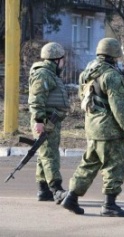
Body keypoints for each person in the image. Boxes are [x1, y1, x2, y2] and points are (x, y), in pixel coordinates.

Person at [61, 38, 124, 216]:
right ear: (115, 54)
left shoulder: (87, 72)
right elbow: (119, 107)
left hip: (92, 126)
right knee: (114, 166)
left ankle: (71, 197)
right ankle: (109, 205)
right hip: (109, 130)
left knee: (88, 164)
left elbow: (85, 99)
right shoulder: (111, 75)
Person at [28, 42, 70, 203]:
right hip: (45, 120)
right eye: (62, 60)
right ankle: (56, 190)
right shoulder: (43, 74)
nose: (63, 63)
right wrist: (39, 120)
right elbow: (36, 98)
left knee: (44, 155)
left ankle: (43, 190)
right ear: (56, 60)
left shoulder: (50, 74)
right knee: (49, 155)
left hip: (51, 120)